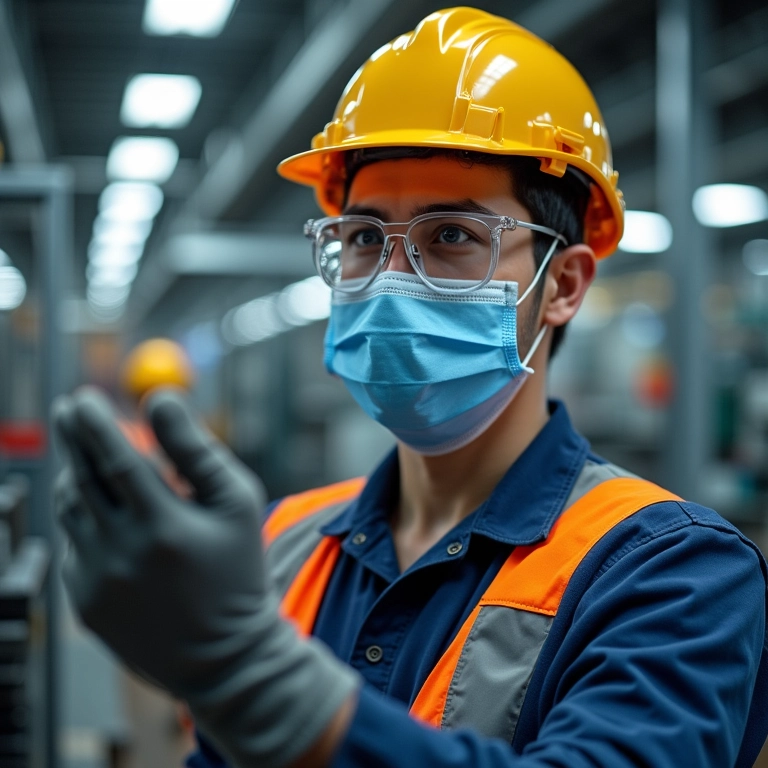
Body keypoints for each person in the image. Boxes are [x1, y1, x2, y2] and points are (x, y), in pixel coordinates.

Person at [53, 8, 768, 768]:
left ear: (562, 284)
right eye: (363, 238)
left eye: (452, 236)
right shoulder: (279, 546)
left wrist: (256, 679)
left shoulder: (672, 572)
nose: (391, 280)